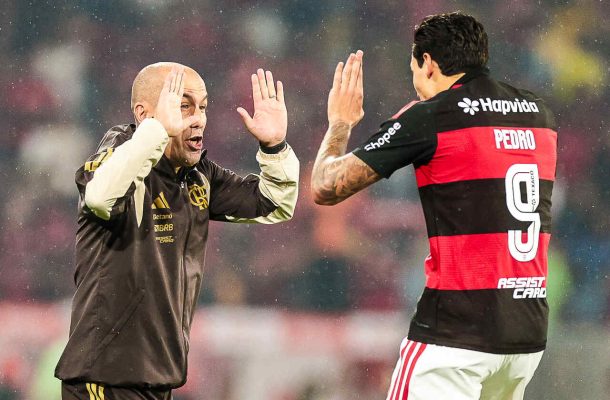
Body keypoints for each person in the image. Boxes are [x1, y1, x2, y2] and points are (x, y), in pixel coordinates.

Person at [311, 12, 557, 400]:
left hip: (457, 333)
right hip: (525, 335)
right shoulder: (539, 113)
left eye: (413, 67)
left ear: (427, 62)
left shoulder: (433, 115)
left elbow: (325, 187)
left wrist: (340, 124)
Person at [55, 62, 299, 399]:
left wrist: (274, 148)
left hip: (158, 381)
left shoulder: (198, 175)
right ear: (144, 114)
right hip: (104, 379)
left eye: (203, 107)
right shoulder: (120, 152)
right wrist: (157, 131)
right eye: (184, 106)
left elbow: (275, 204)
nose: (199, 119)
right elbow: (99, 196)